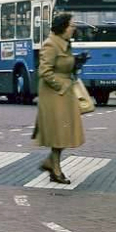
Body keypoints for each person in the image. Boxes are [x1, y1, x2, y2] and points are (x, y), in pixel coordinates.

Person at [33, 12, 85, 184]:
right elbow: (44, 71)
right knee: (60, 133)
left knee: (64, 132)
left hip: (64, 92)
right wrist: (61, 86)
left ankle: (51, 163)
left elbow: (64, 66)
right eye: (72, 25)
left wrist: (77, 63)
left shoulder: (65, 44)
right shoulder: (51, 45)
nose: (74, 28)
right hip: (54, 94)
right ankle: (55, 169)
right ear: (63, 27)